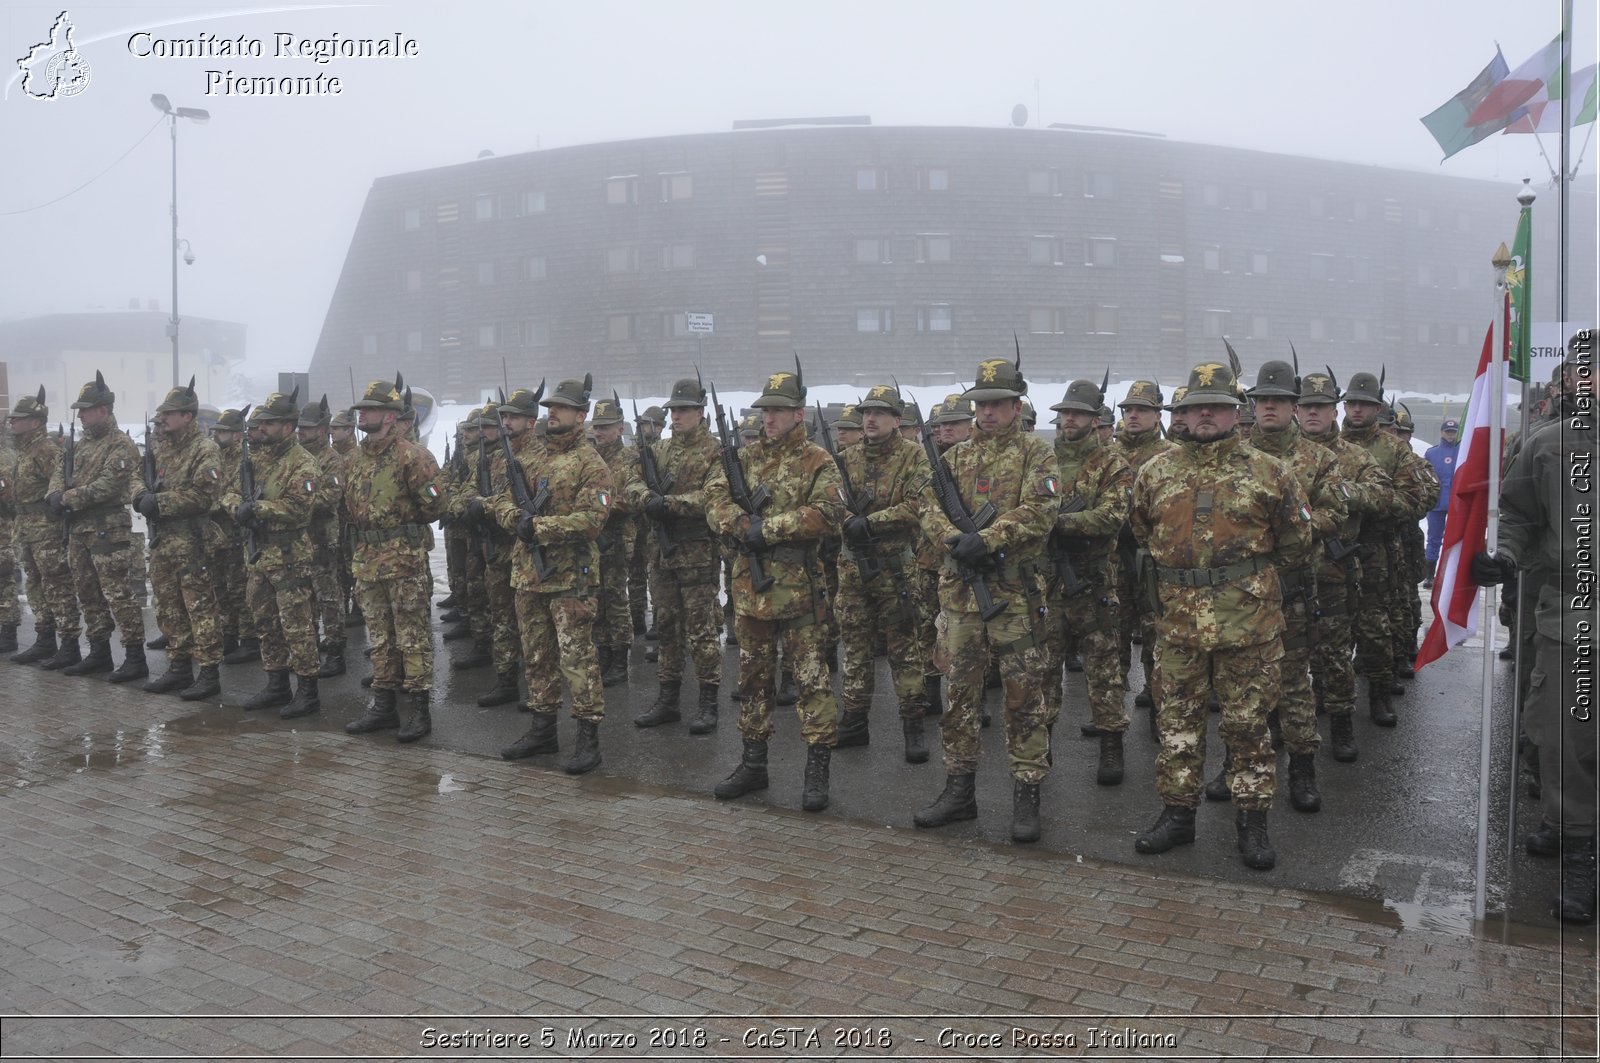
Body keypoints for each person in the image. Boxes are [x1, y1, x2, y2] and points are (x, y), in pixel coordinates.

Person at [1130, 361, 1312, 870]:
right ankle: (1177, 816)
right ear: (1182, 414)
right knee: (1178, 725)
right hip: (1179, 624)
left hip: (1248, 625)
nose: (1204, 414)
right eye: (1194, 407)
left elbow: (1297, 544)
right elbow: (1142, 533)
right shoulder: (1156, 471)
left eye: (1216, 406)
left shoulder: (1272, 473)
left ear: (1238, 412)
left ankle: (1252, 824)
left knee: (1248, 728)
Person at [1473, 334, 1596, 923]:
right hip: (1569, 612)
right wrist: (1505, 556)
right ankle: (1577, 847)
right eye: (1583, 372)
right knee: (1564, 740)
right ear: (1570, 381)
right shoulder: (1549, 445)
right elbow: (1518, 516)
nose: (1590, 381)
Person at [913, 354, 1057, 843]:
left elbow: (1042, 510)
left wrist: (990, 537)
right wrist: (955, 540)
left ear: (1017, 406)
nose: (987, 413)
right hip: (959, 599)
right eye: (981, 405)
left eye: (997, 404)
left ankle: (1027, 793)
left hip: (1014, 597)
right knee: (961, 698)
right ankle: (959, 791)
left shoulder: (1037, 456)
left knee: (1023, 699)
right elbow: (926, 507)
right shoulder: (952, 459)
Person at [706, 366, 844, 811]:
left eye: (778, 411)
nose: (768, 418)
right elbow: (714, 499)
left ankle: (817, 769)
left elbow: (828, 513)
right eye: (765, 410)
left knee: (811, 683)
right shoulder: (743, 459)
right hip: (751, 593)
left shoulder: (818, 461)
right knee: (753, 681)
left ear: (798, 414)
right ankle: (753, 764)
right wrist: (739, 523)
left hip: (800, 591)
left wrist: (768, 529)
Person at [1224, 359, 1347, 812]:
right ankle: (1236, 766)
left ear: (1294, 406)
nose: (1269, 407)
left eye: (1278, 400)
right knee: (1238, 689)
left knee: (1294, 684)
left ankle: (1302, 769)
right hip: (1237, 595)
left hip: (1292, 589)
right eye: (1262, 400)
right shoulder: (1231, 452)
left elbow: (1338, 517)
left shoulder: (1319, 460)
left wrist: (1290, 526)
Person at [492, 377, 613, 775]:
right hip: (529, 574)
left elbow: (592, 520)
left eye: (561, 408)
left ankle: (588, 737)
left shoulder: (591, 464)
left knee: (577, 658)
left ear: (581, 415)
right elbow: (503, 501)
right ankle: (542, 728)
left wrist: (540, 527)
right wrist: (515, 519)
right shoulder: (532, 457)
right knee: (537, 656)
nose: (551, 413)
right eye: (549, 407)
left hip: (569, 578)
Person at [340, 379, 447, 741]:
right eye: (361, 409)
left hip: (403, 561)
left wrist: (400, 527)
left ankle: (418, 708)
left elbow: (434, 506)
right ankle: (383, 705)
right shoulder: (354, 459)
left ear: (389, 416)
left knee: (411, 635)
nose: (362, 414)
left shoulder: (414, 457)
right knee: (380, 637)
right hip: (367, 560)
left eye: (369, 409)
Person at [832, 383, 933, 764]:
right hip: (853, 569)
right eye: (866, 413)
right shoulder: (845, 457)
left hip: (896, 571)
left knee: (905, 650)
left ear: (896, 419)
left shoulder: (914, 457)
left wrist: (871, 522)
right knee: (855, 649)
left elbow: (919, 505)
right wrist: (847, 521)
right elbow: (828, 499)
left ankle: (913, 725)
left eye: (879, 413)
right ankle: (855, 722)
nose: (870, 419)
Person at [1294, 370, 1389, 764]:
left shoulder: (1354, 456)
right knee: (1286, 658)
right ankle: (1285, 728)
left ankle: (1342, 725)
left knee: (1334, 656)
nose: (1313, 413)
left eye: (1321, 406)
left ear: (1335, 411)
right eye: (1307, 406)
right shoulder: (1278, 455)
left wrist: (1345, 492)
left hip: (1333, 570)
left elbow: (1383, 494)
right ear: (1296, 410)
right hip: (1288, 574)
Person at [1044, 378, 1133, 784]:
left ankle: (1111, 745)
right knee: (1043, 671)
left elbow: (1112, 517)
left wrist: (1057, 522)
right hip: (1048, 584)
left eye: (1077, 413)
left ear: (1094, 419)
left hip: (1094, 582)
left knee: (1104, 671)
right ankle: (1038, 747)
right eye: (1064, 413)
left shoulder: (1113, 464)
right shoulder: (1043, 461)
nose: (1069, 419)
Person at [222, 393, 323, 717]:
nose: (261, 427)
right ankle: (276, 683)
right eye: (261, 422)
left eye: (270, 422)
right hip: (258, 554)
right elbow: (228, 491)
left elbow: (298, 506)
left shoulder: (303, 461)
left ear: (288, 426)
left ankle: (307, 690)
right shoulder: (254, 459)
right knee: (264, 622)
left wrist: (259, 509)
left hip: (289, 555)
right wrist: (238, 508)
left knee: (297, 625)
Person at [633, 378, 725, 733]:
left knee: (701, 631)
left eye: (683, 410)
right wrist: (646, 499)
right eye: (673, 411)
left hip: (697, 553)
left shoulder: (716, 451)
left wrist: (668, 504)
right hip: (662, 555)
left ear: (700, 413)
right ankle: (668, 699)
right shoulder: (661, 450)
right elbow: (632, 480)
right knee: (668, 628)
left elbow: (713, 497)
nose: (676, 417)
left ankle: (708, 701)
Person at [46, 372, 148, 681]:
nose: (81, 415)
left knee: (118, 594)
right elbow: (59, 470)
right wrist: (54, 493)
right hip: (79, 529)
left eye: (86, 409)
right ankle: (100, 652)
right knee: (87, 592)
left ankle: (134, 656)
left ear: (103, 410)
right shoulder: (81, 445)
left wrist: (67, 498)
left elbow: (107, 485)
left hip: (107, 529)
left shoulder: (121, 445)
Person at [137, 378, 227, 702]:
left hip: (192, 541)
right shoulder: (160, 446)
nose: (163, 419)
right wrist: (139, 496)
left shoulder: (206, 450)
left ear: (187, 416)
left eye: (170, 413)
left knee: (200, 609)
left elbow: (204, 496)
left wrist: (159, 503)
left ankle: (209, 672)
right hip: (163, 541)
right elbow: (138, 474)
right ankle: (178, 667)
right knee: (168, 608)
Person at [1113, 380, 1172, 734]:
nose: (1133, 415)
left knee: (1156, 635)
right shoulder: (1108, 453)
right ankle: (1111, 712)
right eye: (1128, 409)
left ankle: (1158, 708)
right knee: (1115, 634)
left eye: (1142, 410)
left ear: (1156, 415)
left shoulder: (1169, 456)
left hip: (1152, 559)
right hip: (1114, 559)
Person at [5, 390, 75, 666]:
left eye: (18, 419)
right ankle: (45, 638)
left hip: (46, 530)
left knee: (57, 585)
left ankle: (69, 643)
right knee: (35, 585)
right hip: (26, 529)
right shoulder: (23, 451)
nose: (12, 423)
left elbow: (59, 487)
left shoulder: (46, 450)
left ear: (35, 422)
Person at [589, 395, 640, 687]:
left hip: (618, 538)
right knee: (596, 599)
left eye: (605, 427)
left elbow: (631, 499)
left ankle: (620, 658)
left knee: (615, 599)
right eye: (596, 426)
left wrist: (597, 508)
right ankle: (604, 653)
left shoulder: (629, 460)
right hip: (593, 538)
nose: (599, 432)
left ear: (620, 428)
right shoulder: (590, 457)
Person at [296, 397, 348, 678]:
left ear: (322, 428)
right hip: (299, 538)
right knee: (305, 597)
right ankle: (311, 646)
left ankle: (336, 650)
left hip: (323, 536)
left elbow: (331, 497)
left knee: (328, 596)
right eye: (300, 427)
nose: (301, 431)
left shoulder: (331, 459)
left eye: (308, 427)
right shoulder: (296, 456)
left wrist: (296, 502)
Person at [209, 410, 256, 664]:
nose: (216, 435)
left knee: (240, 588)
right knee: (222, 587)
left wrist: (215, 503)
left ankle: (249, 639)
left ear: (237, 435)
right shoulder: (217, 456)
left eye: (222, 431)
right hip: (219, 533)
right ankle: (229, 634)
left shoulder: (245, 458)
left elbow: (236, 494)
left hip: (237, 531)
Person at [628, 405, 665, 638]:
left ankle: (659, 619)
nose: (643, 428)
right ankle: (637, 614)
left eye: (647, 424)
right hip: (635, 522)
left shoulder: (663, 451)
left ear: (659, 427)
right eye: (640, 424)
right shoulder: (632, 453)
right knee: (636, 572)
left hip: (656, 522)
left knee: (656, 573)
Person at [1423, 418, 1460, 587]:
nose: (1450, 435)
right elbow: (1426, 478)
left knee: (1454, 539)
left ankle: (1452, 574)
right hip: (1437, 504)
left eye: (1453, 432)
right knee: (1434, 538)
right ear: (1441, 432)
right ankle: (1430, 575)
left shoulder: (1462, 451)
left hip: (1456, 504)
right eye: (1447, 431)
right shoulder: (1432, 453)